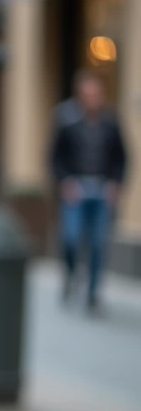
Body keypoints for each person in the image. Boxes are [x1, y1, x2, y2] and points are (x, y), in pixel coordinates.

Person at [50, 70, 129, 312]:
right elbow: (54, 157)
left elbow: (122, 157)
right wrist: (65, 182)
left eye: (96, 94)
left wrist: (115, 184)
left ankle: (93, 291)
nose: (92, 98)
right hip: (75, 189)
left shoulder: (110, 121)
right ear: (80, 95)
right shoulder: (65, 118)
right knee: (71, 238)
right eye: (88, 94)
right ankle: (72, 274)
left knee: (97, 242)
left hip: (101, 189)